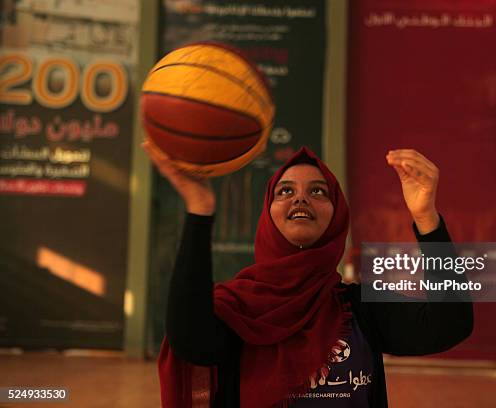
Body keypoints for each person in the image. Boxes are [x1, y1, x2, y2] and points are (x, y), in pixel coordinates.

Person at [143, 141, 473, 408]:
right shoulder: (238, 310)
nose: (300, 197)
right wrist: (199, 208)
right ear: (267, 217)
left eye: (318, 191)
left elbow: (450, 324)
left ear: (337, 216)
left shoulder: (360, 309)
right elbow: (189, 339)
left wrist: (426, 218)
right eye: (285, 191)